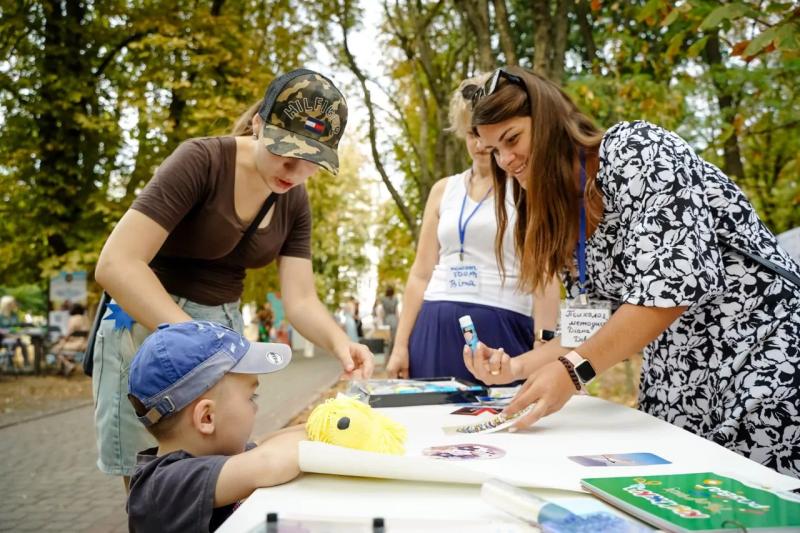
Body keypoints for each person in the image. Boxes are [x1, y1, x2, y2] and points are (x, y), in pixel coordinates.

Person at [465, 66, 800, 477]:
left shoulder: (635, 149)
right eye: (494, 150)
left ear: (550, 120)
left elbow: (672, 288)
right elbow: (590, 326)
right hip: (682, 385)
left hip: (763, 362)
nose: (506, 160)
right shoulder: (563, 212)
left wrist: (572, 372)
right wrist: (518, 367)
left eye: (513, 138)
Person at [93, 68, 373, 485]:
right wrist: (196, 342)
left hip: (221, 328)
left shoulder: (293, 200)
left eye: (312, 161)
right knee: (152, 479)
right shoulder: (201, 161)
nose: (295, 171)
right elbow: (117, 263)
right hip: (152, 327)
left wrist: (341, 343)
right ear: (259, 123)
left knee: (216, 469)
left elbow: (300, 299)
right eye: (286, 151)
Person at [386, 74, 560, 383]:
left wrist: (543, 347)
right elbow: (420, 273)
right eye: (472, 134)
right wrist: (400, 345)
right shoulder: (443, 190)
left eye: (487, 135)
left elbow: (544, 275)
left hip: (503, 328)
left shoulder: (525, 185)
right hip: (433, 328)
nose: (481, 145)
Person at [126, 320, 306, 533]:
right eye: (251, 397)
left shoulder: (210, 456)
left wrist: (322, 421)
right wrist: (338, 427)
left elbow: (265, 444)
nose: (256, 407)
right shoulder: (162, 486)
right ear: (207, 418)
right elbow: (271, 461)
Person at [53, 303, 91, 375]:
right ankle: (66, 366)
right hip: (85, 344)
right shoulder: (86, 318)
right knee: (61, 349)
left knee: (55, 349)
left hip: (74, 345)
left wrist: (62, 339)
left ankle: (68, 365)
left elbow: (68, 334)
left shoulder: (73, 319)